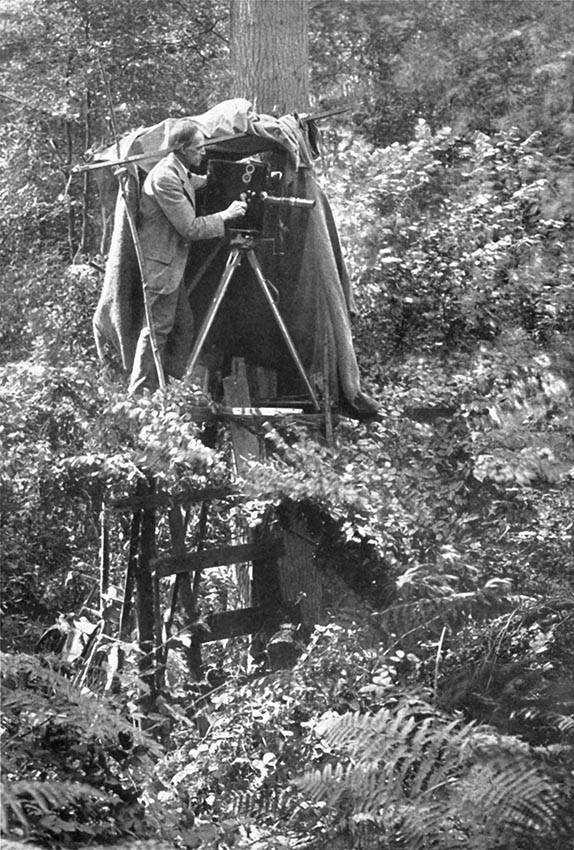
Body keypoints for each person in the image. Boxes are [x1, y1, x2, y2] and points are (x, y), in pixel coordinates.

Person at [128, 118, 247, 395]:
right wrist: (226, 215)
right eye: (198, 148)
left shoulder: (177, 169)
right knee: (157, 331)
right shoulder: (165, 177)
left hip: (172, 266)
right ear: (181, 149)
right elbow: (190, 228)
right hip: (161, 267)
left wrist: (239, 169)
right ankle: (139, 396)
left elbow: (198, 182)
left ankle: (171, 389)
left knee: (183, 326)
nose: (203, 152)